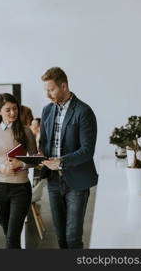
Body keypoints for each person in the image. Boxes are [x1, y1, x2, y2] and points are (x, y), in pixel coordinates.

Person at [39, 67, 98, 249]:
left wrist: (62, 161)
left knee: (72, 238)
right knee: (61, 238)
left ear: (63, 86)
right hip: (54, 181)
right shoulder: (47, 111)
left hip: (77, 181)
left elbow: (87, 150)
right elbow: (44, 142)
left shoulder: (83, 111)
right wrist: (40, 155)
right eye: (46, 90)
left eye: (51, 90)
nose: (48, 95)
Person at [0, 93, 37, 248]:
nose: (13, 113)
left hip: (21, 189)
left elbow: (35, 160)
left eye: (15, 109)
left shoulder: (26, 131)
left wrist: (21, 163)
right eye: (8, 110)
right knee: (9, 238)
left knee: (12, 238)